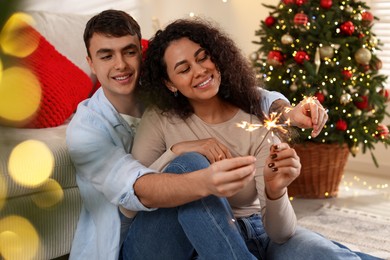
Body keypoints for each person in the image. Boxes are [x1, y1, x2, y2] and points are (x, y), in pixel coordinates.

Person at [66, 9, 329, 260]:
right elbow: (138, 194)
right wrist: (182, 154)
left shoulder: (160, 93)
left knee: (313, 249)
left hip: (204, 233)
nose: (121, 65)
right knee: (191, 164)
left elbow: (247, 97)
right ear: (90, 62)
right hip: (127, 245)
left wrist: (288, 112)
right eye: (106, 56)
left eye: (129, 52)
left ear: (141, 54)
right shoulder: (87, 132)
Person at [132, 17, 381, 260]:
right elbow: (130, 197)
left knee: (323, 252)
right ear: (169, 83)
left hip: (259, 232)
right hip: (197, 242)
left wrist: (275, 191)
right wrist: (177, 150)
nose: (199, 71)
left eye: (203, 58)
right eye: (184, 69)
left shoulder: (255, 118)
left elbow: (281, 233)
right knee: (192, 163)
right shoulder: (160, 119)